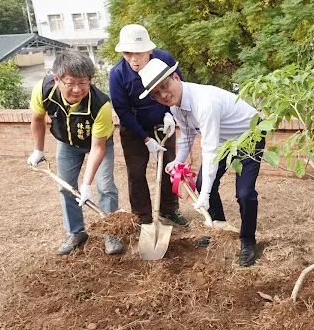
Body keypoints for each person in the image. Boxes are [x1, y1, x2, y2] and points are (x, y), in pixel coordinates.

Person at [138, 59, 264, 267]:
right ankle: (219, 228)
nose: (163, 95)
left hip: (249, 135)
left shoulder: (204, 102)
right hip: (225, 140)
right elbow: (187, 135)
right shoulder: (177, 107)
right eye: (156, 94)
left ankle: (248, 241)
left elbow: (210, 150)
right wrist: (177, 161)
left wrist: (204, 195)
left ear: (176, 78)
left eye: (165, 86)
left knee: (244, 193)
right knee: (202, 184)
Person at [27, 51, 121, 255]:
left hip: (98, 142)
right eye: (70, 83)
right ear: (56, 79)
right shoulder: (43, 90)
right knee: (66, 187)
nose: (77, 89)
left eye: (84, 83)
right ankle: (76, 232)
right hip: (67, 144)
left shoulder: (100, 104)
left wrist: (87, 184)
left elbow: (98, 148)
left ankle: (111, 232)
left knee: (105, 187)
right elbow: (37, 119)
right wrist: (38, 150)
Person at [109, 24, 189, 227]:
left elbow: (179, 87)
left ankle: (170, 210)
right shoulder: (118, 74)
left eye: (139, 52)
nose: (134, 58)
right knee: (136, 173)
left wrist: (170, 115)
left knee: (168, 167)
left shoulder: (165, 60)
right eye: (128, 53)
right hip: (133, 127)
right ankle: (142, 216)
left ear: (150, 50)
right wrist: (145, 139)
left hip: (164, 123)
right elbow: (122, 110)